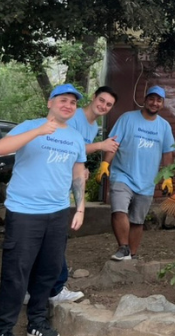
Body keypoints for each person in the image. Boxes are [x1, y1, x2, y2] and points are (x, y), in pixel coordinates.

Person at [0, 84, 87, 336]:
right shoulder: (29, 125)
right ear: (50, 103)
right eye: (63, 100)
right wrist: (38, 131)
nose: (68, 105)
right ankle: (4, 329)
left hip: (57, 213)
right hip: (24, 212)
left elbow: (78, 174)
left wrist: (80, 208)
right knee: (16, 274)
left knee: (49, 270)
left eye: (73, 102)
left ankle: (37, 322)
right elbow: (0, 148)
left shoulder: (76, 137)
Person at [37, 86, 119, 303]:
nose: (103, 106)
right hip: (51, 184)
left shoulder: (93, 126)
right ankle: (54, 288)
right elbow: (67, 144)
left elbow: (77, 154)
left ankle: (39, 288)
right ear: (93, 98)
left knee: (50, 240)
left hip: (64, 185)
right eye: (101, 100)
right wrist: (101, 146)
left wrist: (81, 167)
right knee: (53, 240)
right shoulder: (74, 117)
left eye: (108, 105)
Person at [97, 86, 175, 261]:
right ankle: (123, 247)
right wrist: (105, 164)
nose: (154, 103)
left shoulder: (164, 126)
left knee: (138, 220)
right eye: (151, 99)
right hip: (123, 174)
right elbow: (113, 143)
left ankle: (132, 254)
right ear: (145, 99)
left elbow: (167, 153)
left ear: (162, 103)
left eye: (159, 100)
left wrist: (167, 176)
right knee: (118, 209)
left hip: (147, 180)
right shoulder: (127, 119)